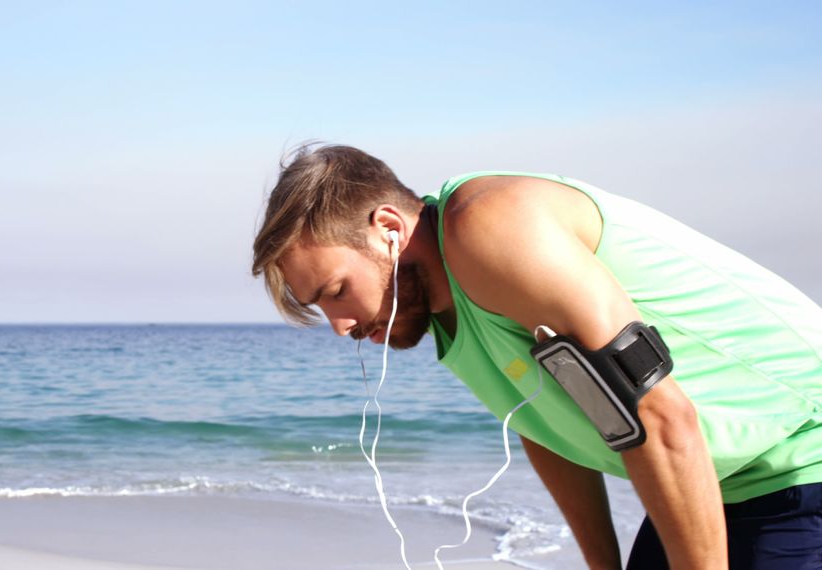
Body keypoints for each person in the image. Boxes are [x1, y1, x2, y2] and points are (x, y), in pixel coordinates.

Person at [251, 144, 822, 569]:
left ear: (389, 230)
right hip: (720, 483)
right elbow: (546, 423)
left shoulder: (490, 229)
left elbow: (660, 415)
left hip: (802, 456)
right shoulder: (449, 314)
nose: (341, 325)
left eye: (335, 291)